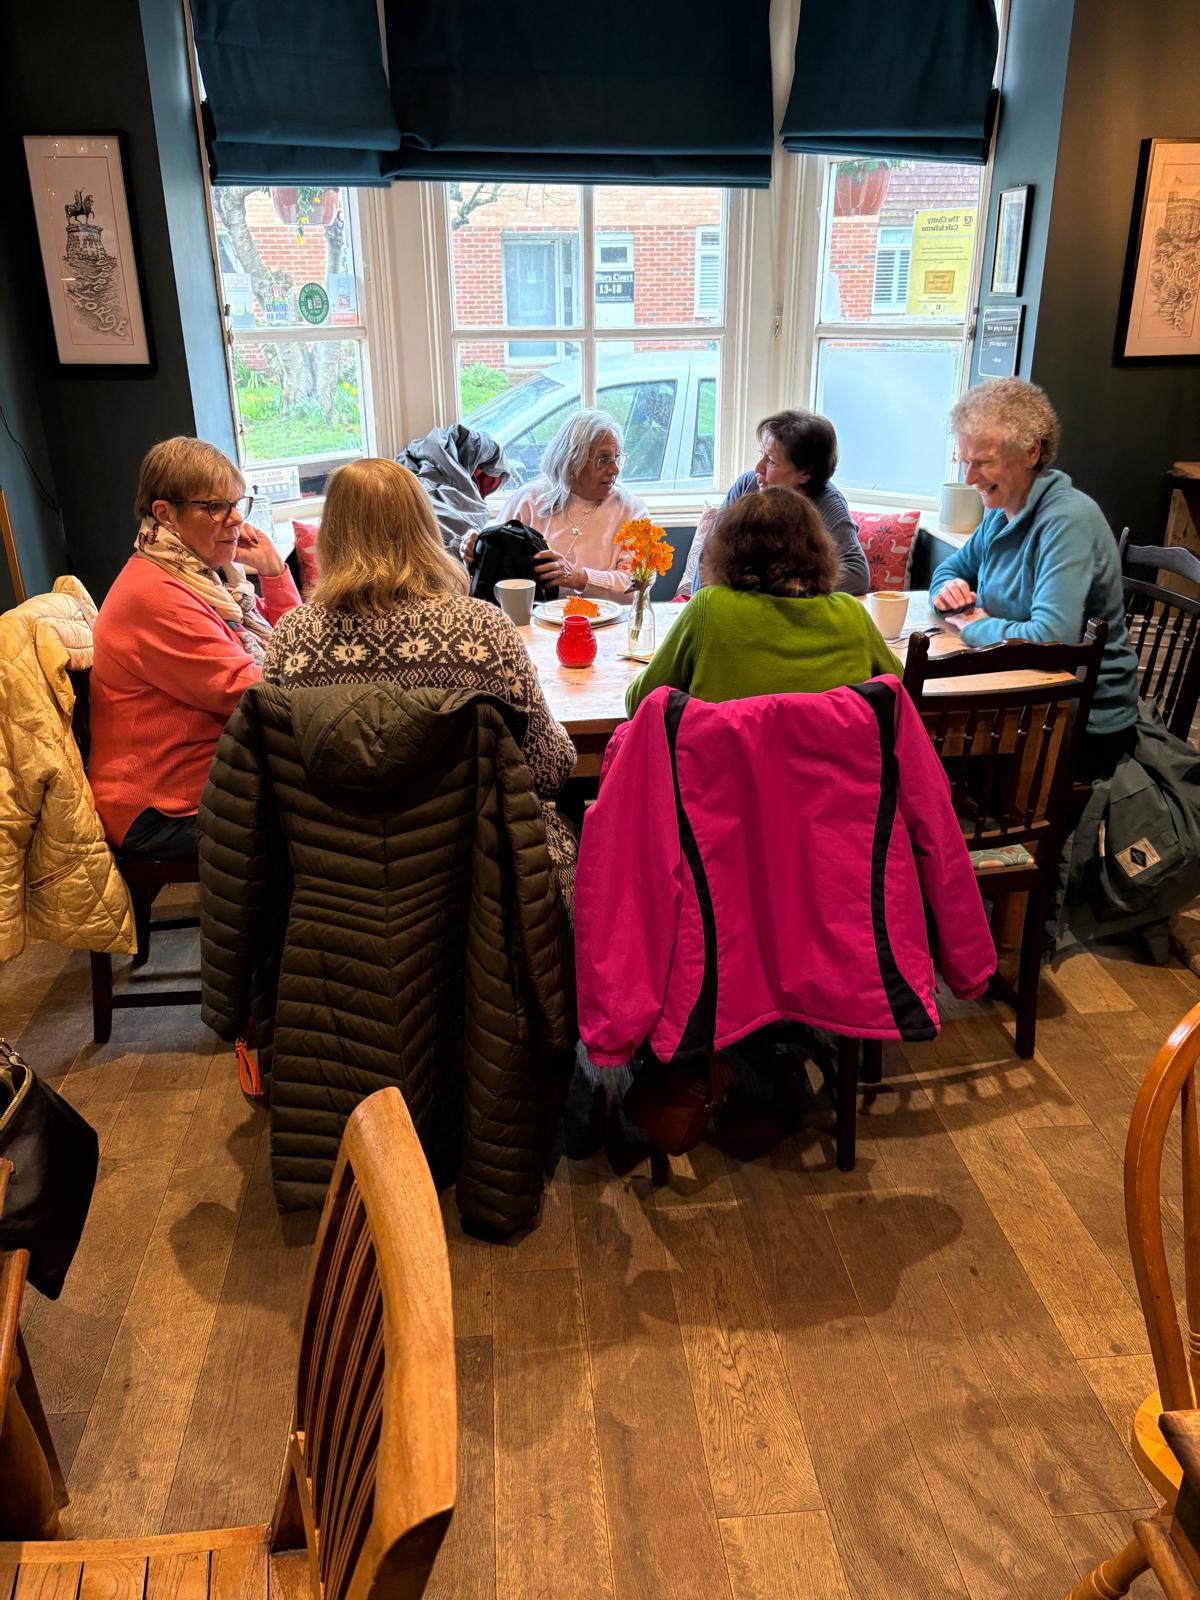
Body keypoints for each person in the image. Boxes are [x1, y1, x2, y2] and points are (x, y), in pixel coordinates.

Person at [262, 457, 579, 909]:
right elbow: (551, 768)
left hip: (339, 883)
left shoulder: (292, 638)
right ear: (425, 529)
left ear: (329, 536)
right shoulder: (482, 629)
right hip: (480, 883)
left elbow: (280, 780)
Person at [89, 437, 300, 858]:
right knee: (336, 818)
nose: (235, 518)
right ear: (165, 514)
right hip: (162, 809)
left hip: (211, 779)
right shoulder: (159, 595)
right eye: (215, 507)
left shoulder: (201, 577)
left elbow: (289, 643)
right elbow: (254, 695)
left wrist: (274, 572)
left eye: (237, 503)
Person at [929, 377, 1139, 779]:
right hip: (1017, 691)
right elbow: (950, 569)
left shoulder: (1067, 520)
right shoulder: (1000, 511)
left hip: (1078, 719)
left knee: (919, 754)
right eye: (964, 461)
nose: (970, 478)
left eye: (984, 462)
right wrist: (947, 591)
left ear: (1031, 451)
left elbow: (1052, 638)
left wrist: (975, 626)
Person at [626, 486, 900, 717]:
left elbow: (639, 702)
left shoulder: (709, 607)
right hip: (836, 766)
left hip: (725, 766)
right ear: (817, 549)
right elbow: (899, 687)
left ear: (728, 550)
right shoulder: (851, 614)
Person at [677, 409, 869, 598]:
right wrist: (705, 603)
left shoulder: (827, 502)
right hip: (738, 605)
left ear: (805, 474)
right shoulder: (748, 485)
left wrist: (779, 590)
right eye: (761, 454)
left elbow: (857, 574)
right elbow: (710, 553)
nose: (758, 468)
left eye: (772, 461)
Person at [464, 409, 647, 599]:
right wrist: (473, 549)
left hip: (606, 617)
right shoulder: (529, 500)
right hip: (530, 615)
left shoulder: (631, 511)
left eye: (617, 457)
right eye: (603, 459)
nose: (615, 469)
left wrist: (578, 578)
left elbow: (638, 585)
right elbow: (491, 552)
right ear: (573, 460)